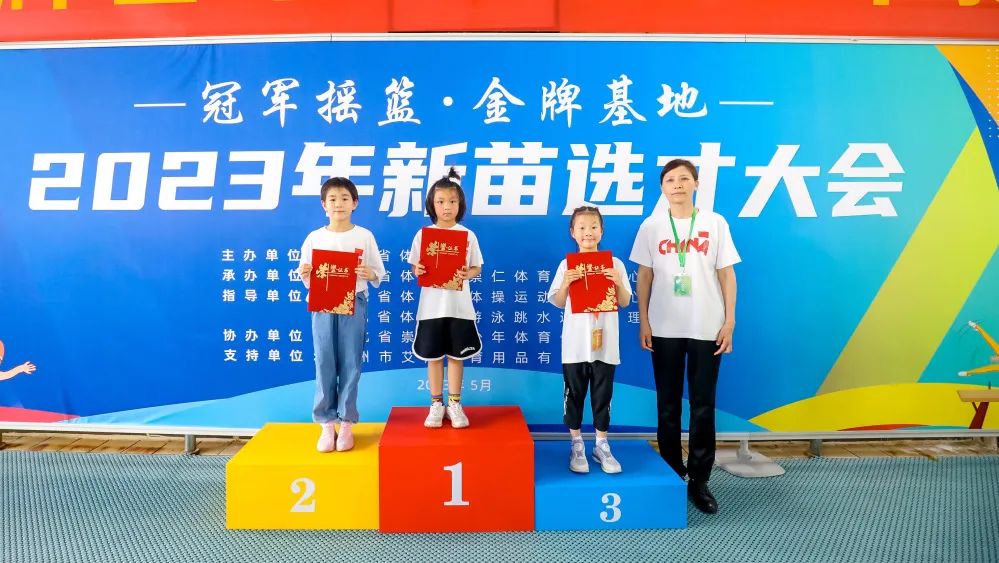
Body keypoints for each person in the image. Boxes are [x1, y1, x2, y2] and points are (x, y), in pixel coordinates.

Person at [630, 159, 740, 514]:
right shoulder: (651, 226)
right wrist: (644, 321)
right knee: (668, 404)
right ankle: (672, 472)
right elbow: (644, 276)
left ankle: (700, 479)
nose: (677, 185)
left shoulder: (715, 223)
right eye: (670, 180)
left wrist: (729, 321)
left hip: (707, 326)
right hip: (664, 327)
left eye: (683, 179)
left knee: (703, 404)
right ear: (662, 188)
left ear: (696, 184)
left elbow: (727, 275)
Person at [299, 177, 385, 452]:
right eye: (333, 199)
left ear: (355, 203)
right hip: (323, 303)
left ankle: (346, 422)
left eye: (345, 198)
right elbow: (306, 275)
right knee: (324, 360)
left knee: (350, 361)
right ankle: (326, 424)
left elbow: (378, 273)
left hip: (354, 301)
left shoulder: (364, 236)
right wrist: (304, 273)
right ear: (323, 205)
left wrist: (369, 273)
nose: (339, 204)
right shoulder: (314, 237)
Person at [547, 206, 632, 474]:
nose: (588, 232)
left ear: (602, 231)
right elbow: (557, 301)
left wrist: (617, 282)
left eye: (594, 227)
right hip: (575, 345)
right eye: (582, 227)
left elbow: (625, 301)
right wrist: (565, 284)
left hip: (605, 344)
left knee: (602, 395)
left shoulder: (615, 264)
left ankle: (601, 444)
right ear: (572, 232)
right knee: (574, 394)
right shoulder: (567, 265)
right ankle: (576, 443)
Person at [409, 168, 484, 429]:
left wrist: (467, 273)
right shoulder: (423, 234)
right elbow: (415, 266)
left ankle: (454, 403)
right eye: (441, 201)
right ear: (432, 204)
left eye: (452, 201)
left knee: (456, 356)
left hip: (459, 307)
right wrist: (418, 269)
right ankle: (436, 404)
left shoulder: (467, 235)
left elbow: (476, 268)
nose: (447, 206)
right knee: (432, 356)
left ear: (460, 204)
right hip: (431, 307)